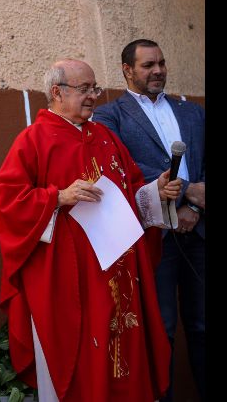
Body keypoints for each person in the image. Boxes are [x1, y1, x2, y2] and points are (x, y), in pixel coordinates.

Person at [0, 59, 179, 401]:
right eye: (84, 89)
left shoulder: (106, 138)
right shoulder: (33, 139)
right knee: (81, 364)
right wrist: (58, 197)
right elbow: (9, 201)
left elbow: (132, 195)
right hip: (69, 280)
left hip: (120, 272)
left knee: (125, 355)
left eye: (94, 88)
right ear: (56, 92)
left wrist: (156, 192)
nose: (93, 96)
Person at [93, 39, 205, 401]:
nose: (158, 71)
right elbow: (122, 167)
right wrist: (186, 189)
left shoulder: (193, 113)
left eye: (161, 63)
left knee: (203, 326)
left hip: (199, 229)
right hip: (154, 234)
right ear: (127, 70)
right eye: (147, 65)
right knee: (163, 328)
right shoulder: (111, 116)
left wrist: (196, 208)